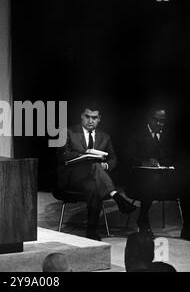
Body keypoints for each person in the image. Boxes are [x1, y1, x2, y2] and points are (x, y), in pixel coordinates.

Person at [56, 102, 136, 241]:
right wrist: (83, 155)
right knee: (92, 163)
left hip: (93, 179)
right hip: (71, 177)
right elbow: (60, 154)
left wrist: (105, 166)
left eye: (94, 117)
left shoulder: (105, 137)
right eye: (87, 116)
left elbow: (113, 159)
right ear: (81, 116)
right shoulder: (67, 132)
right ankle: (116, 195)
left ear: (99, 119)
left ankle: (92, 229)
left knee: (93, 186)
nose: (90, 120)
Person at [125, 105, 190, 241]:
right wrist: (143, 162)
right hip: (141, 178)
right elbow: (128, 157)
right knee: (150, 181)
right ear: (149, 118)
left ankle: (187, 226)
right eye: (156, 120)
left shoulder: (168, 136)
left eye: (162, 121)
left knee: (188, 182)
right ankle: (143, 222)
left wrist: (172, 166)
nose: (159, 124)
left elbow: (178, 157)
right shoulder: (136, 134)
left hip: (165, 177)